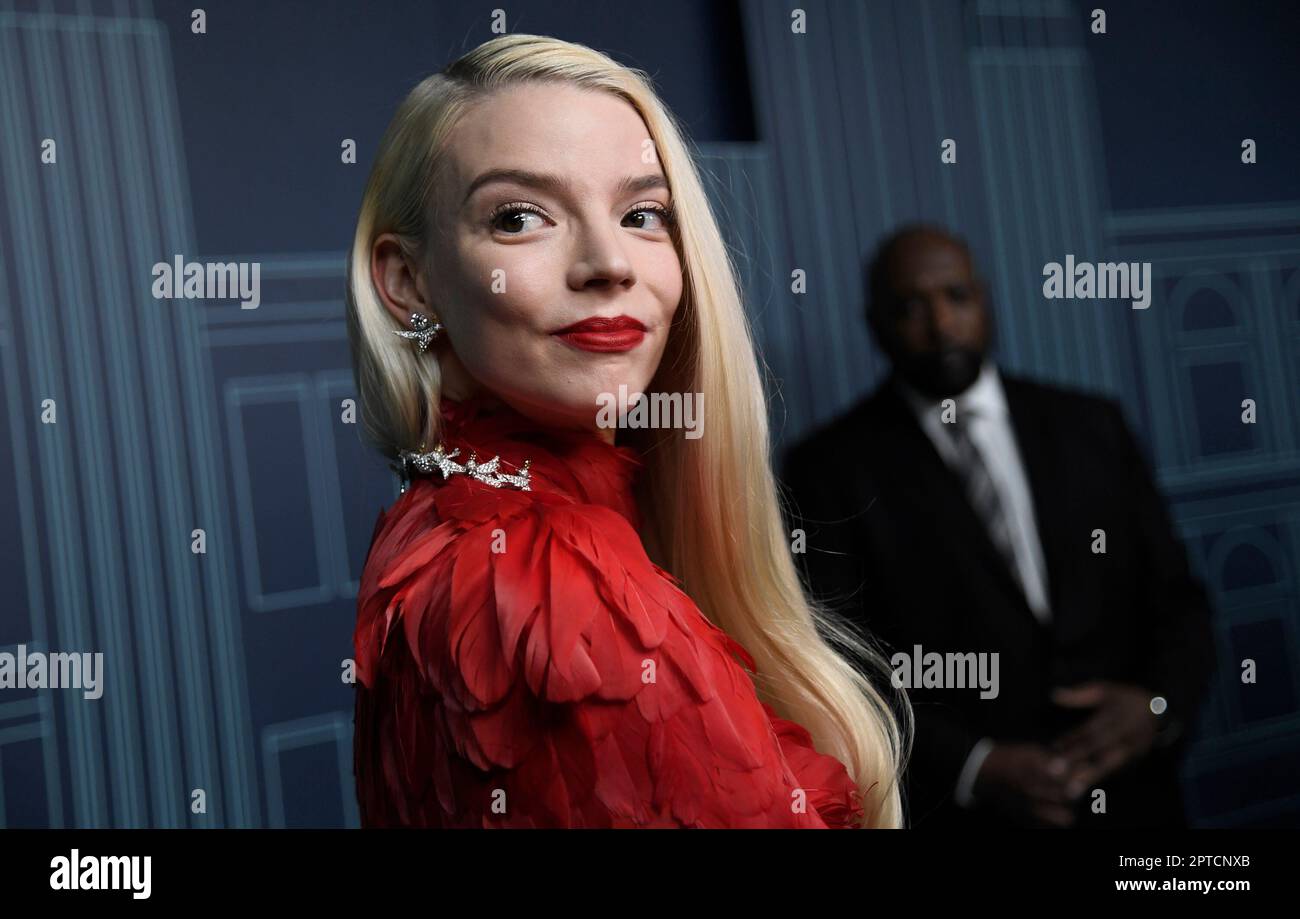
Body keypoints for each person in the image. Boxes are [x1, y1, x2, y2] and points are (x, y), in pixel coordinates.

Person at [345, 34, 906, 828]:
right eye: (519, 217)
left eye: (643, 213)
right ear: (409, 282)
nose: (610, 262)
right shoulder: (539, 580)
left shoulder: (445, 522)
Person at [782, 224, 1215, 828]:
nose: (940, 325)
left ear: (984, 299)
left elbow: (1181, 604)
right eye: (910, 306)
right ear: (875, 324)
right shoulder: (826, 470)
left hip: (1137, 805)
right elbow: (840, 670)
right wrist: (974, 766)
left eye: (956, 297)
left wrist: (1157, 706)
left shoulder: (1093, 425)